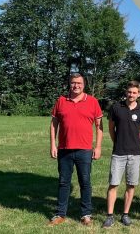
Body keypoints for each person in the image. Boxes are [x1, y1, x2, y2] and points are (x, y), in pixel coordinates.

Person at [49, 73, 103, 226]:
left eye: (79, 83)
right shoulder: (61, 101)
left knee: (85, 182)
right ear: (69, 84)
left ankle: (86, 215)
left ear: (84, 84)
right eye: (73, 83)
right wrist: (53, 144)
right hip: (64, 149)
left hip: (84, 150)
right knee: (63, 182)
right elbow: (54, 125)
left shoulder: (92, 101)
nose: (76, 86)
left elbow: (100, 127)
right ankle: (60, 214)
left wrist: (98, 147)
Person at [102, 81, 140, 228]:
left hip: (134, 154)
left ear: (139, 94)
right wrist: (118, 142)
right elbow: (111, 128)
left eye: (134, 92)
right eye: (129, 92)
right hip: (118, 153)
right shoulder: (116, 107)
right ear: (126, 92)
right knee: (113, 184)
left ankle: (125, 214)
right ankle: (109, 216)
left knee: (131, 185)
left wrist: (134, 141)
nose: (131, 95)